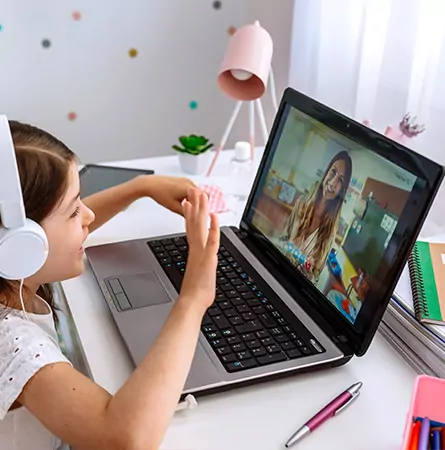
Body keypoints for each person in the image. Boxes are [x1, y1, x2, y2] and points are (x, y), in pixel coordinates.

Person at [0, 121, 220, 450]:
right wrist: (193, 299)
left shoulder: (13, 277)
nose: (88, 215)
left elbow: (58, 232)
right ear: (22, 245)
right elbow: (125, 439)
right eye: (75, 210)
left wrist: (139, 188)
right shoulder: (12, 342)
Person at [280, 150, 352, 282]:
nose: (332, 183)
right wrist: (288, 246)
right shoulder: (301, 203)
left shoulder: (330, 232)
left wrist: (309, 276)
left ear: (342, 190)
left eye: (341, 180)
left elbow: (316, 276)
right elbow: (282, 239)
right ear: (326, 173)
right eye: (333, 172)